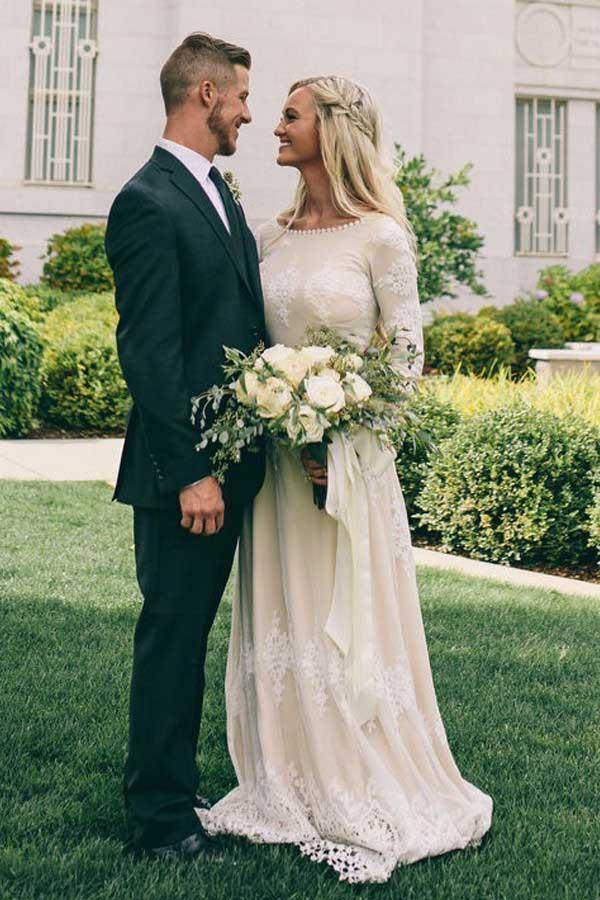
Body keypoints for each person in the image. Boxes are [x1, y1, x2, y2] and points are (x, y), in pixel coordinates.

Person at [199, 75, 493, 883]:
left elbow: (405, 358)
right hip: (280, 479)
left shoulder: (381, 238)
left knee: (348, 621)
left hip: (347, 476)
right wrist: (276, 411)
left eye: (289, 116)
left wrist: (350, 442)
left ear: (332, 129)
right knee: (285, 615)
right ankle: (286, 777)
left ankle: (367, 777)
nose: (273, 128)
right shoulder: (271, 234)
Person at [104, 32, 266, 860]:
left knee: (191, 631)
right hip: (183, 477)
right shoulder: (148, 199)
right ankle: (159, 818)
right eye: (239, 95)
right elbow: (151, 356)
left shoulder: (213, 191)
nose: (247, 111)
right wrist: (193, 471)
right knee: (171, 635)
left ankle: (174, 784)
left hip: (230, 469)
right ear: (205, 95)